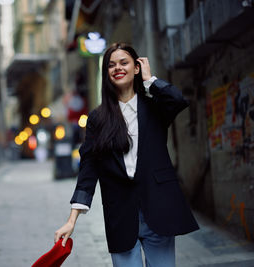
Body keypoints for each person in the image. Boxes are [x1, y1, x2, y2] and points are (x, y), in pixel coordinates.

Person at [54, 42, 199, 267]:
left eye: (124, 62)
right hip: (120, 214)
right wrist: (71, 220)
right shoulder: (98, 119)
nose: (117, 68)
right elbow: (89, 169)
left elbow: (178, 100)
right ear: (106, 73)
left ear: (136, 67)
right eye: (111, 65)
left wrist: (150, 80)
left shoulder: (155, 107)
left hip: (158, 208)